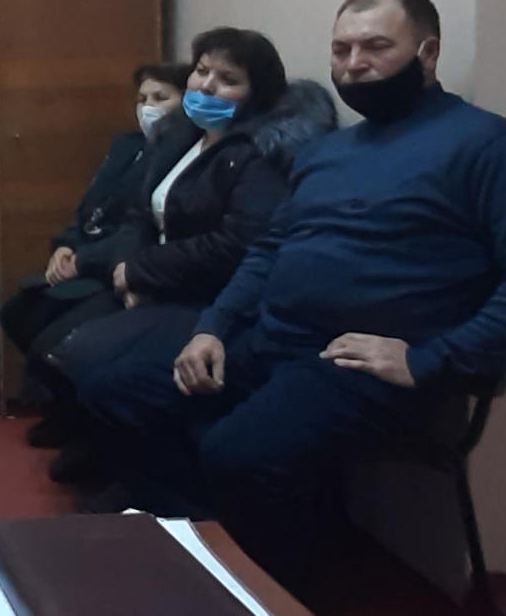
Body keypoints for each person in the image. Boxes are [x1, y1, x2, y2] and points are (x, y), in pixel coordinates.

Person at [77, 0, 506, 595]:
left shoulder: (491, 147)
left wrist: (430, 358)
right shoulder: (326, 153)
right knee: (119, 387)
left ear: (427, 53)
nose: (354, 64)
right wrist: (213, 326)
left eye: (376, 47)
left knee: (240, 451)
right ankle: (213, 556)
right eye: (341, 50)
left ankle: (276, 595)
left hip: (364, 365)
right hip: (271, 340)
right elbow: (269, 248)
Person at [34, 31, 337, 473]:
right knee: (55, 343)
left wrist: (143, 270)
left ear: (256, 93)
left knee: (93, 363)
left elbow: (236, 244)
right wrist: (128, 270)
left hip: (206, 295)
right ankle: (103, 449)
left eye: (227, 79)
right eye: (201, 70)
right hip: (153, 279)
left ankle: (145, 474)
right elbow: (140, 214)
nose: (206, 85)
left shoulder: (257, 154)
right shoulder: (181, 136)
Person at [0, 62, 191, 443]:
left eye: (161, 98)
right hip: (88, 258)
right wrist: (66, 245)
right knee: (19, 311)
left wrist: (84, 260)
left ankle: (85, 427)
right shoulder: (127, 148)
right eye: (142, 98)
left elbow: (135, 230)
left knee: (53, 344)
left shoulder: (176, 158)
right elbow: (90, 207)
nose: (148, 108)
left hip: (120, 272)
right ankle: (66, 411)